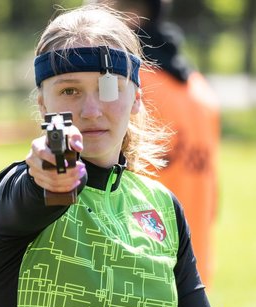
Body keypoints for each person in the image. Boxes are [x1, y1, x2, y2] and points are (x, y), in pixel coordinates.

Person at [0, 5, 228, 307]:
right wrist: (51, 176)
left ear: (136, 95)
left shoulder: (162, 208)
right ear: (42, 102)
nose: (91, 109)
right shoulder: (17, 194)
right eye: (69, 91)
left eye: (109, 87)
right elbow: (30, 195)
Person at [90, 0, 220, 288]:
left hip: (134, 271)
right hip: (193, 274)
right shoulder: (201, 91)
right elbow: (213, 201)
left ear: (128, 14)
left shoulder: (127, 86)